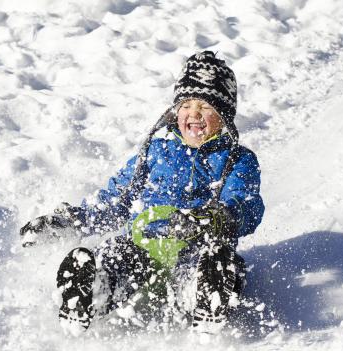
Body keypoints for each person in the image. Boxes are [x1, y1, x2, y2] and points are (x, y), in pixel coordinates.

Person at [20, 51, 264, 334]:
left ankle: (205, 295)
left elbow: (248, 203)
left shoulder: (237, 159)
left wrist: (221, 216)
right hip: (141, 246)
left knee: (219, 260)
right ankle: (91, 290)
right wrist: (71, 220)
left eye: (206, 107)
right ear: (175, 112)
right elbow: (115, 201)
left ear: (224, 116)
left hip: (195, 246)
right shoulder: (155, 153)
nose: (194, 114)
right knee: (115, 254)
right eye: (186, 105)